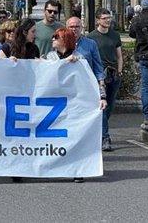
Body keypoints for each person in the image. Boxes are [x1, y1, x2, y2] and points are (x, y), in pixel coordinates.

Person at [45, 27, 106, 183]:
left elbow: (90, 80)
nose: (53, 39)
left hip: (74, 104)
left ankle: (78, 169)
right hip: (54, 103)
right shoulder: (50, 57)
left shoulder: (80, 59)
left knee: (75, 135)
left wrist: (102, 96)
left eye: (56, 37)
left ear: (65, 40)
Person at [88, 8, 123, 151]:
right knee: (102, 105)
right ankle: (105, 137)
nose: (108, 20)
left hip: (113, 74)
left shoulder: (115, 35)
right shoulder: (91, 37)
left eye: (109, 18)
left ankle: (99, 129)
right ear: (98, 20)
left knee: (110, 106)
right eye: (104, 18)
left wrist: (120, 71)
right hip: (99, 76)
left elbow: (119, 55)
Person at [66, 17, 105, 84]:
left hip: (86, 83)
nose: (74, 29)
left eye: (77, 27)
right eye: (71, 27)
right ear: (66, 28)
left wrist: (101, 82)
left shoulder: (91, 44)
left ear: (81, 28)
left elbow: (97, 66)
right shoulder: (61, 44)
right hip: (67, 83)